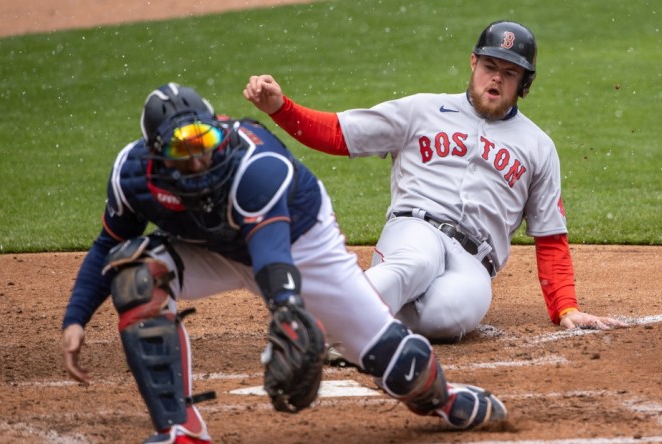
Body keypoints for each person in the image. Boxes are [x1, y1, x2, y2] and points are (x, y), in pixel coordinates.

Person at [60, 83, 508, 444]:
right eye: (183, 150)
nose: (198, 157)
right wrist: (76, 316)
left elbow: (271, 253)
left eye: (206, 141)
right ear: (155, 153)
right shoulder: (132, 175)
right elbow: (108, 243)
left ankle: (443, 398)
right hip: (213, 251)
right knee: (137, 275)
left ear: (219, 128)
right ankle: (180, 429)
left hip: (303, 246)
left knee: (398, 364)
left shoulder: (257, 165)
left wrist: (288, 308)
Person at [243, 20, 629, 344]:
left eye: (509, 72)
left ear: (524, 84)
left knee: (446, 318)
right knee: (416, 261)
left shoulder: (538, 147)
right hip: (415, 227)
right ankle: (316, 328)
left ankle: (365, 319)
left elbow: (550, 236)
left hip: (475, 263)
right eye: (490, 66)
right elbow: (340, 134)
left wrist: (566, 307)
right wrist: (281, 107)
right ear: (473, 63)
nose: (496, 78)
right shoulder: (421, 110)